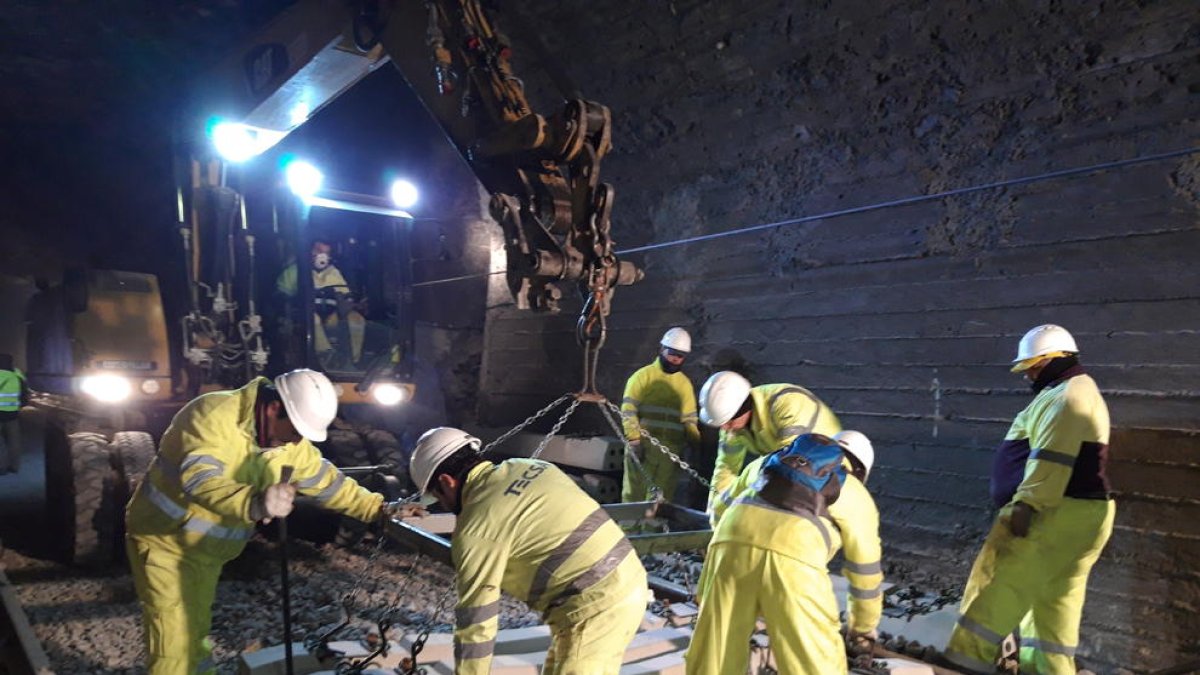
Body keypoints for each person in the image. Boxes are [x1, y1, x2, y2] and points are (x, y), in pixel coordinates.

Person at [125, 369, 416, 675]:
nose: (297, 440)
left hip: (204, 549)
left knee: (193, 630)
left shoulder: (289, 444)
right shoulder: (212, 415)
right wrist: (254, 502)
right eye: (295, 431)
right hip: (165, 541)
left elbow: (329, 484)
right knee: (174, 642)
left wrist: (379, 509)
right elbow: (201, 481)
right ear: (275, 408)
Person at [944, 324, 1115, 675]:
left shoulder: (1067, 396)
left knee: (998, 586)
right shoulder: (1073, 391)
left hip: (1052, 512)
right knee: (1052, 605)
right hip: (1081, 513)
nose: (1029, 376)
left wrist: (1028, 504)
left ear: (1056, 360)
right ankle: (1049, 669)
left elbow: (1053, 457)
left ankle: (963, 663)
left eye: (1034, 367)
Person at [409, 427, 648, 675]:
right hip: (627, 577)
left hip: (595, 609)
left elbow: (477, 626)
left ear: (447, 482)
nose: (445, 505)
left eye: (439, 497)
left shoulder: (476, 530)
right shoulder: (530, 466)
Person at [703, 429, 885, 668]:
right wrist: (862, 627)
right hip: (794, 561)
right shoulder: (854, 491)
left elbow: (720, 509)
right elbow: (865, 571)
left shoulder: (768, 462)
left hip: (729, 543)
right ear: (860, 471)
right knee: (814, 662)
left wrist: (719, 552)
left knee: (716, 652)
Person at [698, 370, 841, 512]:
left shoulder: (787, 404)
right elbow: (726, 467)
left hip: (832, 479)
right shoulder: (731, 426)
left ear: (744, 409)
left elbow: (788, 468)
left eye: (728, 421)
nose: (724, 428)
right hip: (799, 480)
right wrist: (714, 510)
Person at [619, 327, 701, 502]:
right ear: (662, 349)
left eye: (680, 356)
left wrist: (695, 445)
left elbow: (689, 420)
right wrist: (634, 440)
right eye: (672, 353)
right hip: (643, 448)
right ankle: (629, 530)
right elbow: (628, 410)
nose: (675, 359)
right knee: (634, 496)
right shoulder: (642, 377)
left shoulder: (684, 384)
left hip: (670, 453)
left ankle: (653, 530)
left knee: (660, 502)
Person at [276, 240, 366, 365]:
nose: (322, 256)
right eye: (318, 251)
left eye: (326, 252)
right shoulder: (295, 271)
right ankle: (327, 355)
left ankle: (353, 361)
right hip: (305, 316)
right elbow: (281, 294)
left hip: (331, 316)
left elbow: (345, 295)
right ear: (309, 251)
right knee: (313, 319)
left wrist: (350, 304)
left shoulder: (334, 273)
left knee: (357, 320)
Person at [0, 353, 29, 474]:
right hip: (13, 414)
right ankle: (15, 466)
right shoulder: (18, 375)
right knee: (14, 441)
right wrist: (18, 406)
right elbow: (24, 396)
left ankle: (1, 468)